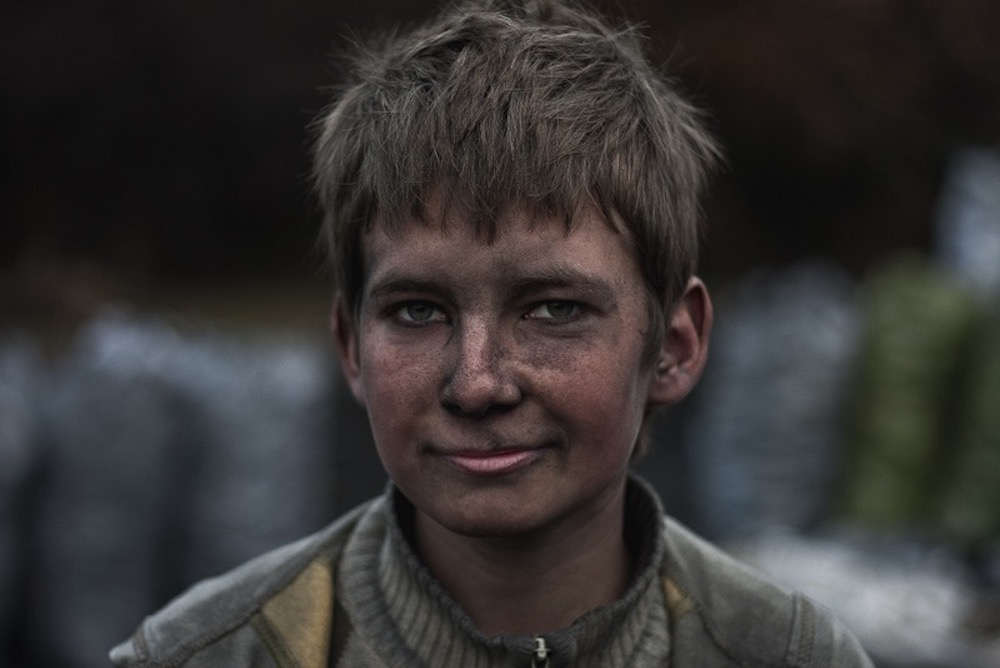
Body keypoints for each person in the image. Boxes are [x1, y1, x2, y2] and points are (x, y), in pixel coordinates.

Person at [111, 1, 873, 665]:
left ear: (673, 345)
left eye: (553, 309)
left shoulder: (783, 654)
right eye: (417, 311)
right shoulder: (213, 655)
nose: (477, 382)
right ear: (349, 345)